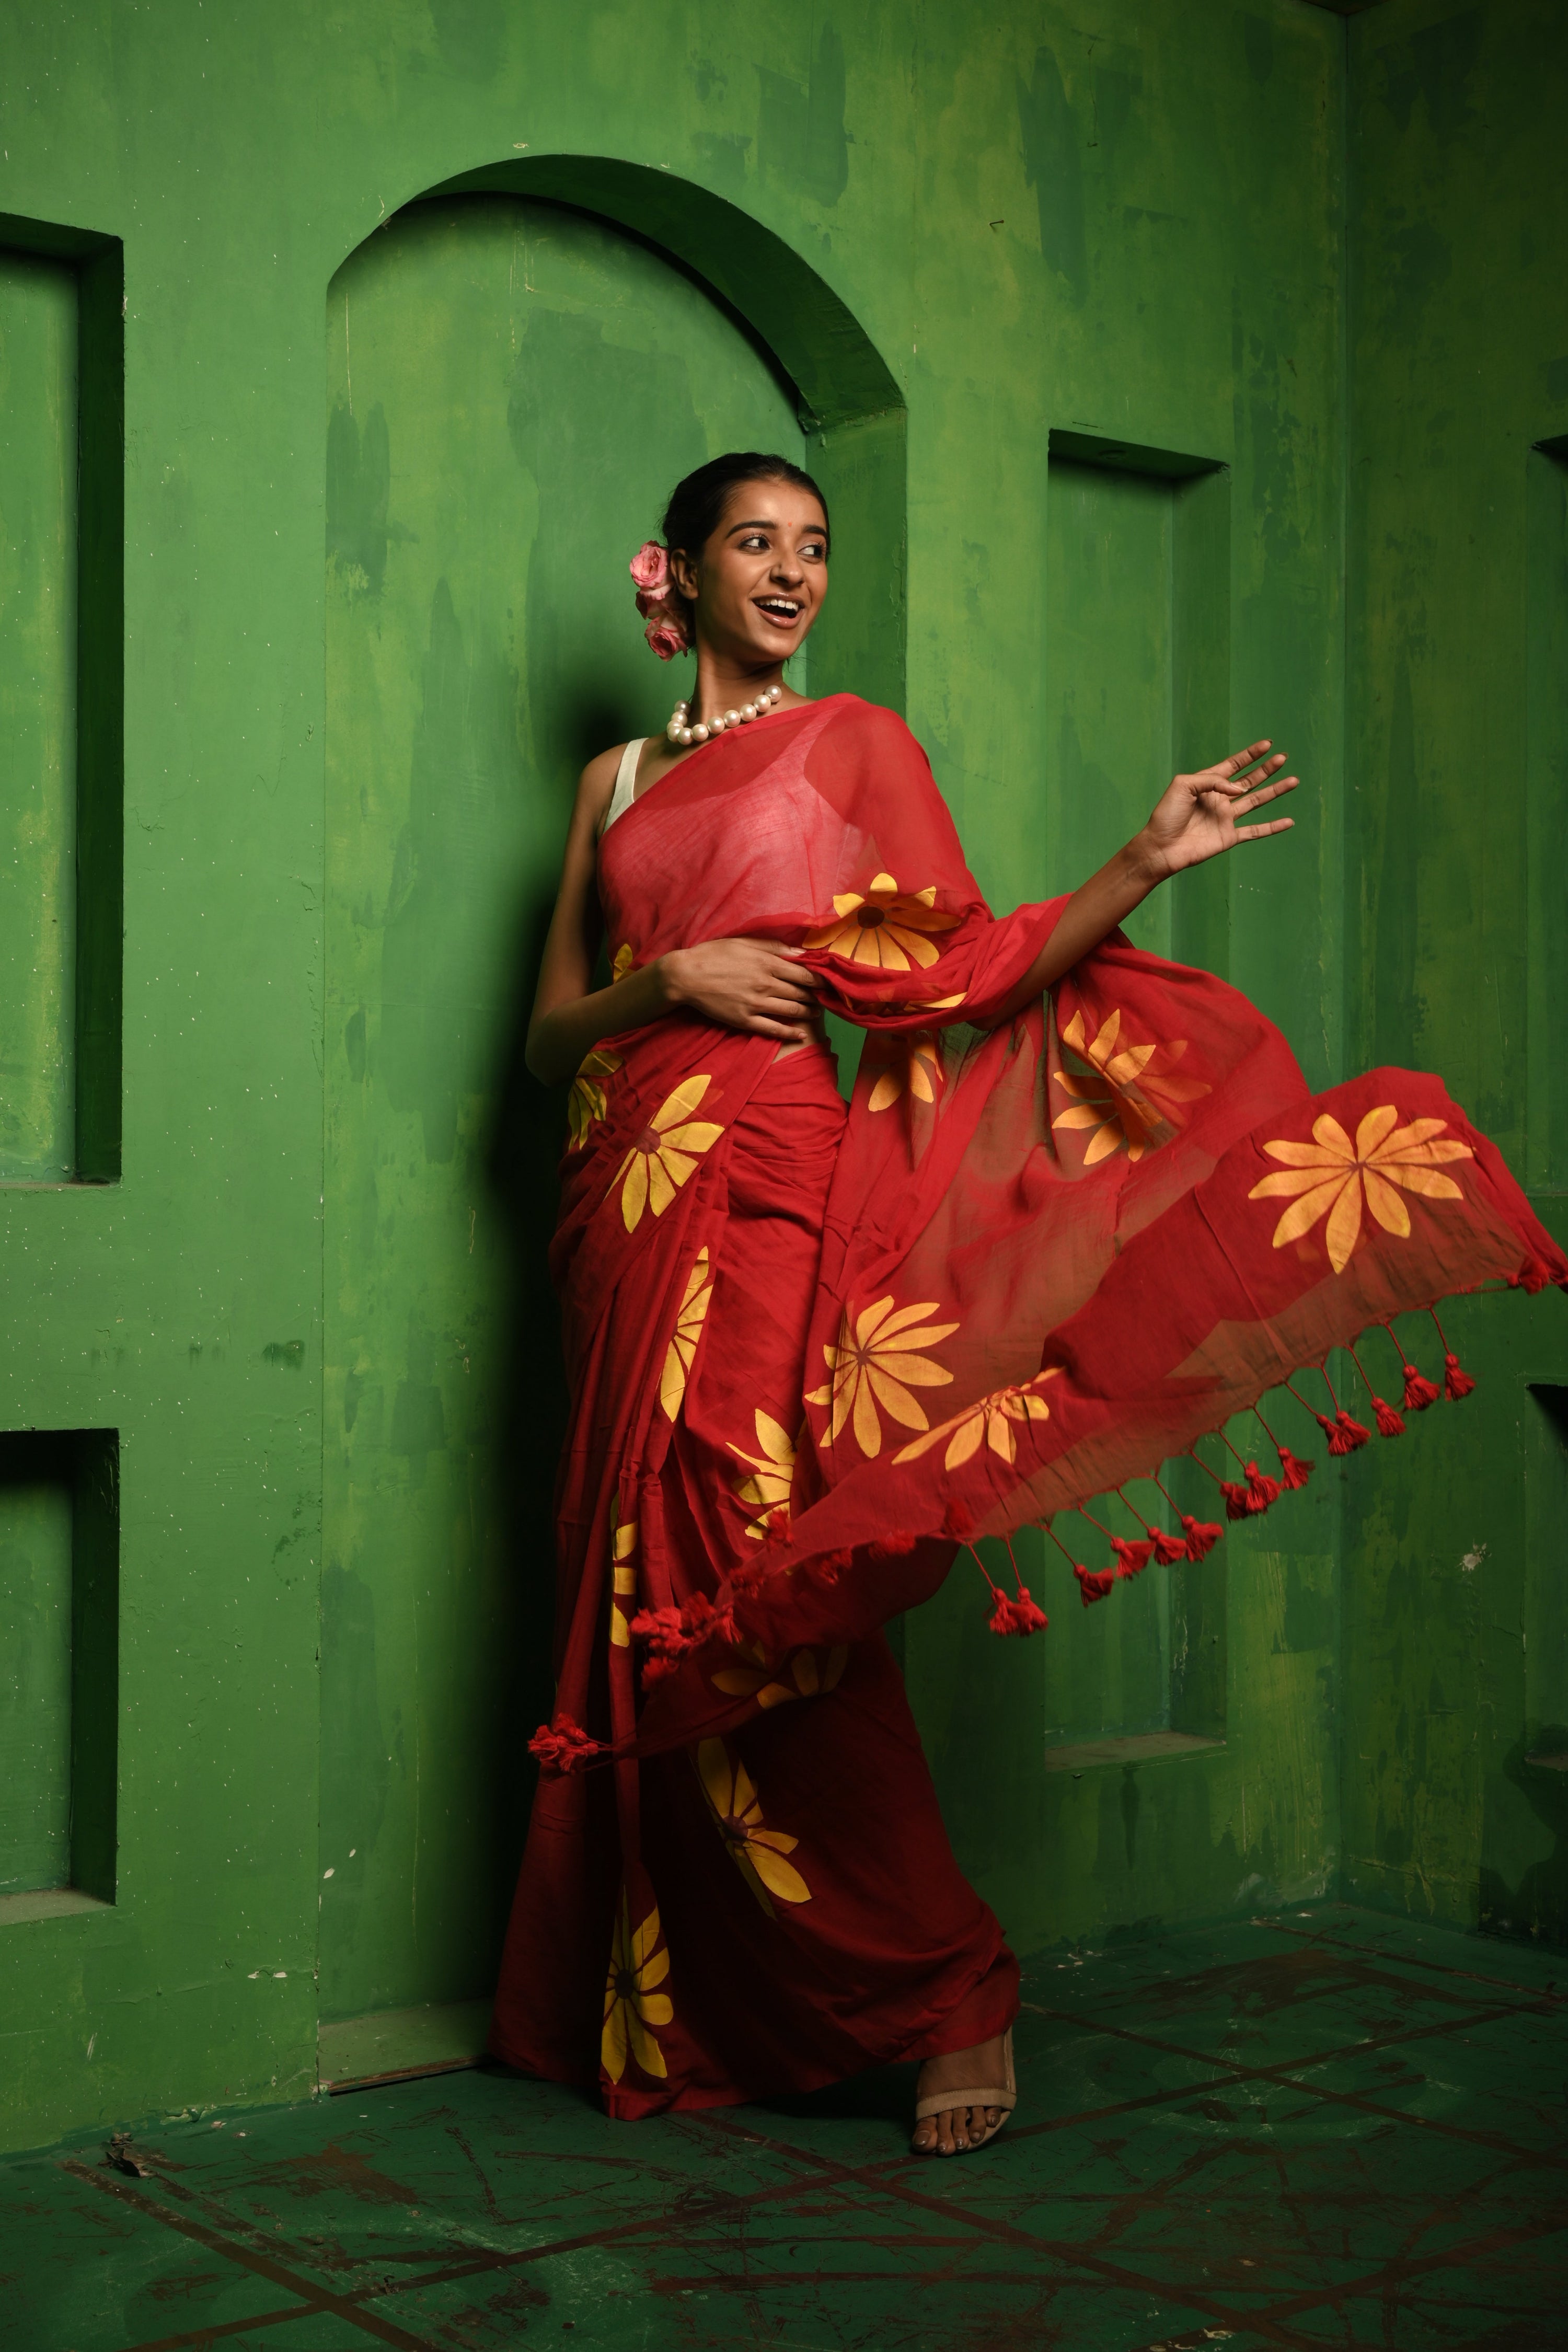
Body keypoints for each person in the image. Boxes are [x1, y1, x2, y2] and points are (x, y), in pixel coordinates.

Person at [488, 451, 1563, 2155]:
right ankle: (676, 1996)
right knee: (627, 1583)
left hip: (770, 1183)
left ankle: (946, 1986)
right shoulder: (612, 776)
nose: (792, 573)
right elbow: (550, 1033)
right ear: (671, 572)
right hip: (615, 1201)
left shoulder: (858, 746)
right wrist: (665, 977)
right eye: (755, 545)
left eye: (815, 549)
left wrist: (1141, 857)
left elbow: (967, 967)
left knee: (763, 1575)